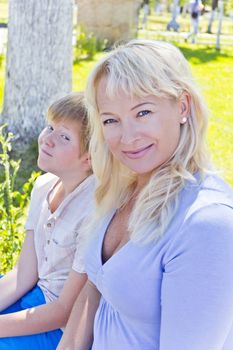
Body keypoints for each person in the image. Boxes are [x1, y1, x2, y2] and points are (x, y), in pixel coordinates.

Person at [58, 39, 233, 350]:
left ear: (182, 107)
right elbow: (94, 290)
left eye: (143, 112)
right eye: (111, 120)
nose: (127, 137)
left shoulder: (206, 224)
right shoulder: (123, 189)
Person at [0, 92, 95, 349]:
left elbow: (64, 310)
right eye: (50, 127)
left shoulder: (95, 210)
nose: (47, 140)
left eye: (64, 137)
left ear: (90, 158)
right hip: (33, 297)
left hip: (59, 327)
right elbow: (24, 274)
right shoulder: (44, 186)